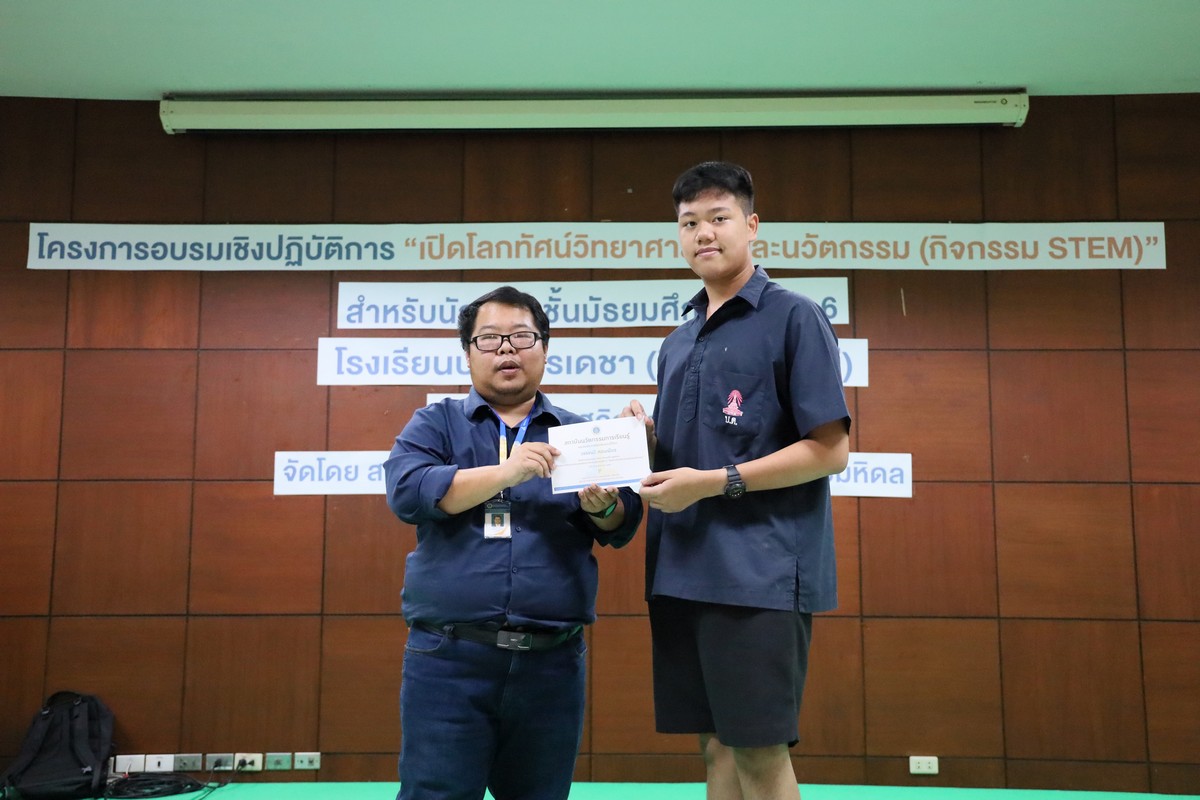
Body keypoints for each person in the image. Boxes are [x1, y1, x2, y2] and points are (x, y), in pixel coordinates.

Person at [624, 162, 851, 800]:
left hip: (759, 576)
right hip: (681, 571)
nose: (703, 233)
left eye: (718, 218)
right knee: (717, 747)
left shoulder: (794, 317)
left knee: (758, 751)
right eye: (688, 223)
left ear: (751, 226)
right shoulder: (677, 340)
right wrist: (644, 441)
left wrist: (713, 482)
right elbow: (686, 457)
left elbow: (829, 451)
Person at [384, 285, 642, 800]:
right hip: (449, 658)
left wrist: (603, 507)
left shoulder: (576, 433)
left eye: (522, 337)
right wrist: (507, 472)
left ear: (544, 348)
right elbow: (408, 492)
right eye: (489, 338)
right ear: (468, 353)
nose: (506, 349)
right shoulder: (435, 423)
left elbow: (622, 523)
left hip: (551, 664)